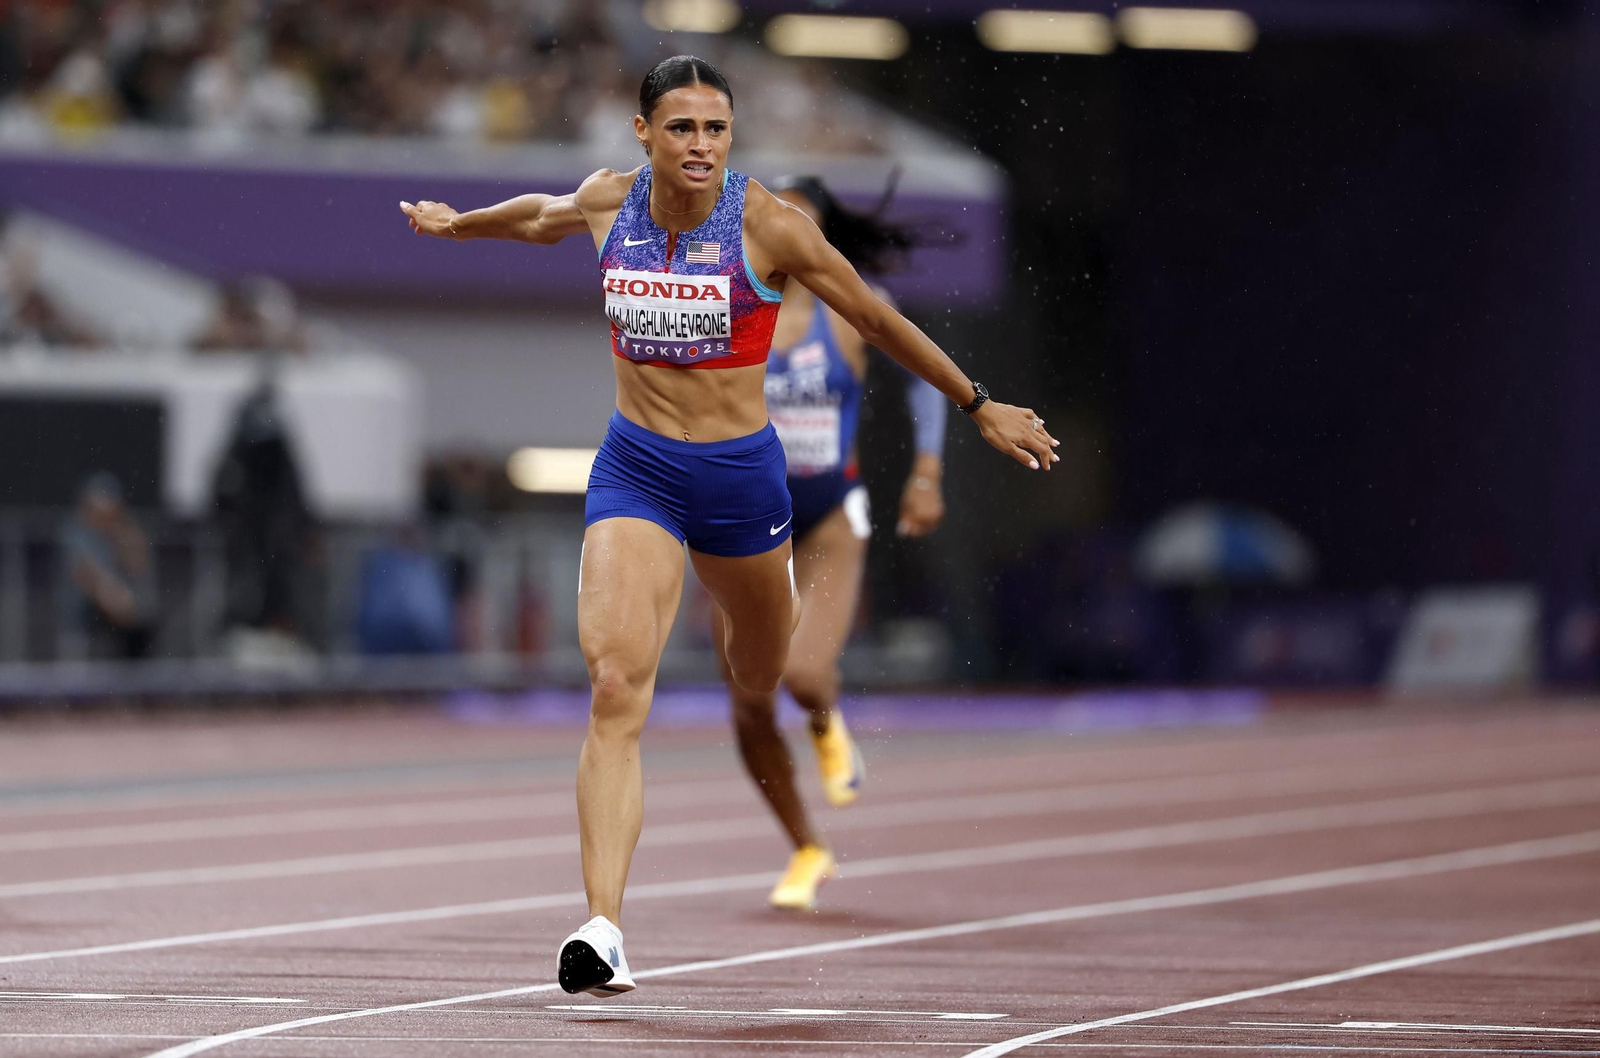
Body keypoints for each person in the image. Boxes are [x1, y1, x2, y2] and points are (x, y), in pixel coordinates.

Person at [400, 54, 1059, 999]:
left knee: (760, 678)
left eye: (715, 129)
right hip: (637, 471)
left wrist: (979, 403)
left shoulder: (769, 225)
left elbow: (872, 315)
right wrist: (460, 225)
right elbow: (541, 215)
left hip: (744, 487)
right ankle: (604, 928)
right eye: (680, 128)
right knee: (616, 684)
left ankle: (803, 721)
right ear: (643, 135)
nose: (700, 146)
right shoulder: (608, 203)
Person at [719, 173, 949, 912]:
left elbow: (923, 377)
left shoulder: (849, 313)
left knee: (805, 677)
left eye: (802, 224)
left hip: (826, 516)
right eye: (774, 219)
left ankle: (825, 720)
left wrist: (926, 469)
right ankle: (806, 848)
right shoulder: (727, 304)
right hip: (744, 525)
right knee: (749, 707)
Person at [58, 472, 155, 660]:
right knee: (117, 601)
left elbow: (138, 566)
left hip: (114, 614)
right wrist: (113, 596)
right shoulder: (74, 533)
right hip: (82, 610)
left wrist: (121, 530)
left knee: (141, 613)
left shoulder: (116, 531)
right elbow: (86, 574)